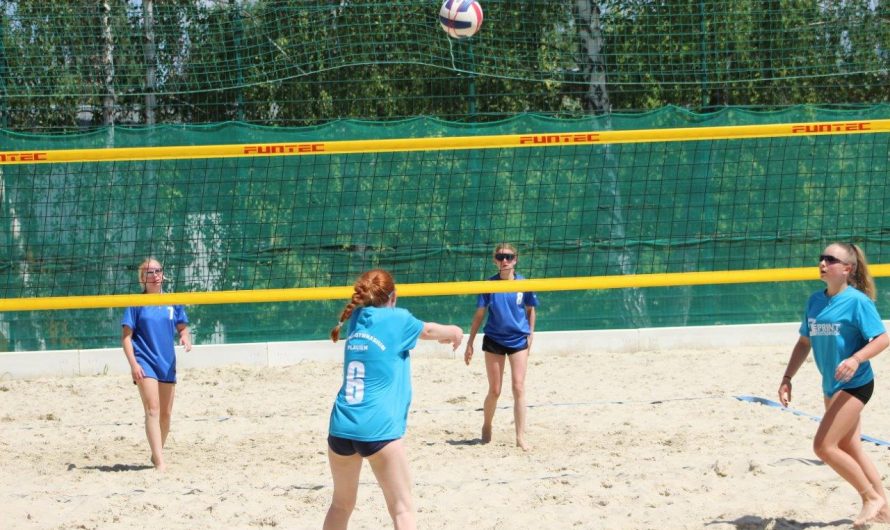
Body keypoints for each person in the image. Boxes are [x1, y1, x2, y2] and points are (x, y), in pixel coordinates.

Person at [324, 269, 463, 530]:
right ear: (394, 297)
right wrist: (455, 331)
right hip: (378, 429)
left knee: (340, 506)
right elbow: (431, 330)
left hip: (341, 426)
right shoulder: (398, 319)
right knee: (402, 509)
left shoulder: (356, 318)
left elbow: (422, 334)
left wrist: (440, 336)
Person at [778, 242, 890, 526]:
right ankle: (885, 511)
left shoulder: (858, 302)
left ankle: (870, 498)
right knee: (850, 447)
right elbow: (804, 342)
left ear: (847, 269)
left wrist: (856, 358)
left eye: (831, 259)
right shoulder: (815, 301)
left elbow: (882, 338)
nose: (823, 263)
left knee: (824, 447)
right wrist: (787, 377)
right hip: (831, 385)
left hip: (856, 384)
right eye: (822, 258)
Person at [464, 243, 538, 451]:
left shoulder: (524, 283)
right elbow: (479, 315)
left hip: (518, 339)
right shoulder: (489, 285)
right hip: (494, 339)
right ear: (495, 260)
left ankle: (520, 437)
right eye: (500, 257)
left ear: (515, 259)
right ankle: (487, 426)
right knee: (495, 390)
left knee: (518, 387)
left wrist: (531, 334)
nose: (504, 260)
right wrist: (470, 342)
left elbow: (531, 310)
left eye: (508, 257)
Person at [121, 257, 192, 471]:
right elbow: (126, 338)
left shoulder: (173, 301)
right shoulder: (136, 303)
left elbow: (182, 327)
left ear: (163, 274)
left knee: (166, 414)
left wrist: (185, 337)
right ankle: (160, 462)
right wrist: (134, 364)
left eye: (157, 271)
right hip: (144, 360)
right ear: (143, 279)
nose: (154, 275)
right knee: (152, 409)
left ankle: (156, 453)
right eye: (149, 273)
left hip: (167, 361)